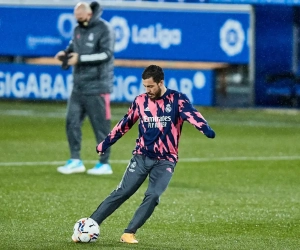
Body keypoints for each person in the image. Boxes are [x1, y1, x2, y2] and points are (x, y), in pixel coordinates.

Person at [72, 65, 216, 244]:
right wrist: (106, 143)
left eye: (150, 86)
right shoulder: (140, 101)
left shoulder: (177, 99)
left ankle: (129, 233)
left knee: (153, 195)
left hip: (166, 161)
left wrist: (205, 129)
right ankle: (89, 224)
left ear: (160, 83)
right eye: (145, 86)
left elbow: (193, 115)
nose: (147, 90)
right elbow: (124, 124)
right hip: (141, 156)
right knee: (122, 192)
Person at [55, 1, 115, 175]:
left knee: (101, 126)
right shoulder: (78, 30)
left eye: (81, 18)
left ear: (89, 14)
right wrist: (65, 55)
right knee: (71, 122)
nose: (78, 21)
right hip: (79, 86)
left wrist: (79, 59)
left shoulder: (105, 29)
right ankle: (75, 160)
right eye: (76, 19)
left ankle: (104, 163)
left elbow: (106, 54)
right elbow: (73, 48)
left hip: (98, 85)